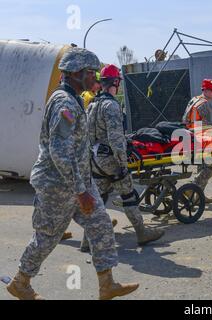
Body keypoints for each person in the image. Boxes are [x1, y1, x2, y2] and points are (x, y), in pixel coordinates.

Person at [6, 48, 139, 300]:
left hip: (78, 183)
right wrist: (80, 191)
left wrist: (83, 187)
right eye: (91, 73)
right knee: (46, 238)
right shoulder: (64, 103)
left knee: (100, 226)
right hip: (58, 185)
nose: (95, 79)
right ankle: (20, 282)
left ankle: (107, 284)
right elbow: (59, 151)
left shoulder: (75, 99)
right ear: (77, 73)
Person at [84, 64, 164, 252]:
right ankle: (142, 233)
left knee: (99, 199)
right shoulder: (111, 106)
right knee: (128, 195)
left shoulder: (92, 105)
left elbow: (88, 135)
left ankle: (87, 240)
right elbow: (116, 138)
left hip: (95, 160)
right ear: (115, 82)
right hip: (111, 160)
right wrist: (123, 164)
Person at [182, 79, 212, 203]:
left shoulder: (194, 100)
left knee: (201, 166)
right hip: (199, 138)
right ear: (206, 91)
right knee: (211, 167)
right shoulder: (205, 104)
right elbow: (207, 127)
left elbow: (185, 119)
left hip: (189, 136)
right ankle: (193, 187)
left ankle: (198, 196)